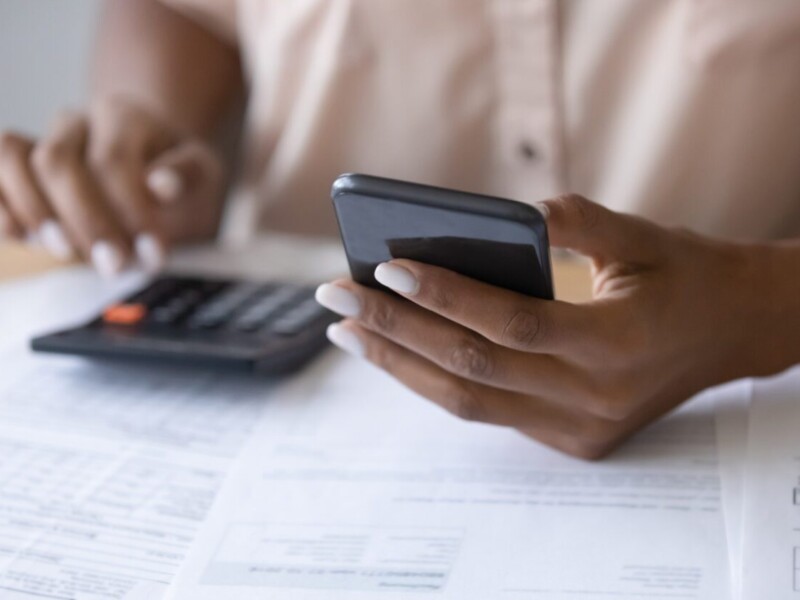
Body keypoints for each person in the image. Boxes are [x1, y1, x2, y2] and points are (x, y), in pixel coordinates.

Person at [0, 0, 798, 458]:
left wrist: (765, 304)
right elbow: (185, 9)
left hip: (740, 398)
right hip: (283, 352)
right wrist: (155, 131)